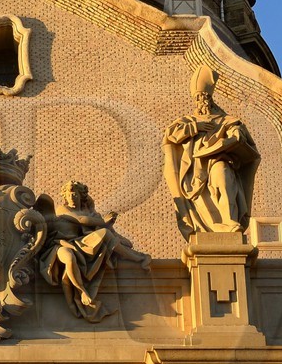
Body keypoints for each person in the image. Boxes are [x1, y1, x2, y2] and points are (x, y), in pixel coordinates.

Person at [162, 66, 259, 236]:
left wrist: (234, 137)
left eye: (204, 97)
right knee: (202, 200)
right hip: (194, 172)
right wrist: (194, 127)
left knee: (222, 176)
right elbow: (172, 135)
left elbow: (239, 135)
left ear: (210, 98)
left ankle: (228, 219)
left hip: (219, 162)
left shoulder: (226, 120)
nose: (201, 101)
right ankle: (212, 225)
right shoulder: (187, 121)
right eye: (198, 98)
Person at [39, 181, 148, 321]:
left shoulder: (91, 214)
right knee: (69, 257)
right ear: (64, 196)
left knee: (105, 234)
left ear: (80, 196)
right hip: (59, 246)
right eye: (69, 194)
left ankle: (139, 258)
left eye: (75, 194)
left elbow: (109, 233)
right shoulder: (62, 210)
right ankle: (82, 292)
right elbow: (81, 220)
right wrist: (103, 222)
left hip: (80, 244)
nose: (72, 197)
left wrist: (119, 236)